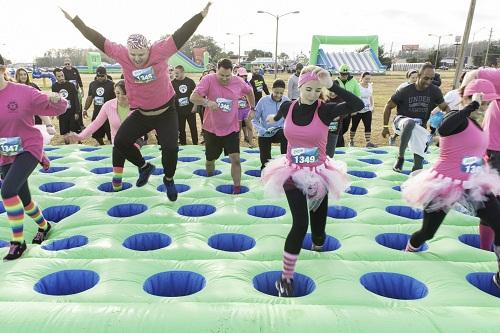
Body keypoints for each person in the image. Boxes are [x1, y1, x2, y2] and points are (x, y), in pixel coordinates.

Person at [61, 2, 211, 202]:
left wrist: (200, 15)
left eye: (141, 54)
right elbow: (96, 38)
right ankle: (144, 167)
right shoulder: (121, 54)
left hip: (166, 112)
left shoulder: (160, 50)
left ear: (149, 49)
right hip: (141, 113)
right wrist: (75, 21)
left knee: (170, 148)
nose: (138, 59)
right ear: (127, 52)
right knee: (120, 142)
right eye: (134, 55)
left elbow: (182, 33)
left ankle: (168, 179)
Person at [261, 65, 364, 297]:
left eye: (317, 91)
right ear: (299, 87)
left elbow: (358, 105)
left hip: (319, 172)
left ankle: (318, 244)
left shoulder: (325, 111)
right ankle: (285, 278)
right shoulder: (288, 106)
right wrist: (273, 117)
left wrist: (332, 85)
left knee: (319, 229)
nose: (313, 94)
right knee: (300, 223)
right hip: (291, 172)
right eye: (308, 89)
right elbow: (281, 114)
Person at [401, 79, 500, 288]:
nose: (483, 107)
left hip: (472, 183)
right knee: (428, 232)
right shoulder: (457, 118)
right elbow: (444, 128)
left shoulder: (476, 123)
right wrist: (471, 106)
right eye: (481, 102)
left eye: (486, 103)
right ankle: (410, 249)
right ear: (466, 99)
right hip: (444, 183)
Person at [0, 54, 68, 260]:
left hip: (29, 147)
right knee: (25, 200)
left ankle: (18, 242)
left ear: (2, 69)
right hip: (6, 154)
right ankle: (44, 225)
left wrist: (57, 100)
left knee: (8, 189)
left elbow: (58, 107)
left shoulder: (23, 92)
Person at [190, 58, 255, 195]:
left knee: (236, 159)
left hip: (231, 128)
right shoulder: (208, 79)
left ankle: (237, 189)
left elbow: (249, 91)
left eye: (228, 75)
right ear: (216, 71)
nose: (225, 78)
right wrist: (207, 102)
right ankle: (209, 179)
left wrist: (252, 108)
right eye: (221, 75)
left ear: (232, 72)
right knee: (210, 160)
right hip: (211, 129)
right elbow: (193, 97)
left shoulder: (238, 82)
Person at [382, 63, 449, 173]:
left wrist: (450, 120)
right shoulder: (405, 90)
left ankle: (414, 182)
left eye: (431, 79)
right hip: (401, 122)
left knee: (418, 165)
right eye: (426, 78)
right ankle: (400, 157)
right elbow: (388, 106)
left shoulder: (434, 91)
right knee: (410, 122)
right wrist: (385, 126)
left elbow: (445, 107)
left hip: (419, 129)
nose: (428, 82)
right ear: (418, 75)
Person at [69, 80, 134, 191]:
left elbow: (150, 121)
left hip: (135, 140)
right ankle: (117, 186)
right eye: (118, 93)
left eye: (125, 93)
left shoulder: (138, 104)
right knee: (117, 169)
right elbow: (96, 123)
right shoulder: (108, 105)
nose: (121, 96)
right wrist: (80, 136)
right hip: (118, 142)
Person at [252, 79, 289, 169]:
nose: (279, 95)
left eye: (281, 93)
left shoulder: (286, 101)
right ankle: (264, 170)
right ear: (272, 89)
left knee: (285, 134)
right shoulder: (263, 101)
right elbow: (254, 119)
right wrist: (261, 130)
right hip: (265, 132)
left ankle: (285, 164)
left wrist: (285, 127)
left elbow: (290, 119)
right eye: (276, 92)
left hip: (280, 131)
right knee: (265, 162)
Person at [15, 68, 56, 139]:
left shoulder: (32, 86)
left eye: (25, 74)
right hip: (22, 118)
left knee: (35, 136)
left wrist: (50, 110)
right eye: (21, 75)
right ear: (17, 76)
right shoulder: (14, 88)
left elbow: (42, 99)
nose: (23, 76)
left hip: (36, 117)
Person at [84, 66, 115, 145]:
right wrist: (85, 109)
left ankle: (113, 146)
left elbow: (116, 100)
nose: (100, 78)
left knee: (111, 134)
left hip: (109, 114)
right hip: (97, 113)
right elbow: (90, 97)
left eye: (102, 76)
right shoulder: (92, 84)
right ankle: (102, 145)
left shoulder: (112, 84)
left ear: (106, 75)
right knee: (96, 133)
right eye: (98, 76)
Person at [333, 64, 361, 148]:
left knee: (345, 128)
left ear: (348, 73)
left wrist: (355, 109)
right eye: (342, 74)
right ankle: (339, 145)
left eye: (346, 74)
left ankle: (339, 141)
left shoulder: (354, 81)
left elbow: (358, 95)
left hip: (349, 109)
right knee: (339, 129)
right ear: (339, 73)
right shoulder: (336, 81)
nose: (344, 76)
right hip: (339, 110)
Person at [52, 67, 81, 144]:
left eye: (62, 75)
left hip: (72, 111)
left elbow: (76, 99)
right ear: (55, 77)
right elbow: (55, 100)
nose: (61, 78)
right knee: (65, 131)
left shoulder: (71, 85)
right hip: (62, 112)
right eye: (59, 76)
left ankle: (79, 142)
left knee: (74, 129)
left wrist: (77, 112)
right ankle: (67, 145)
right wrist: (56, 112)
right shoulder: (54, 87)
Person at [349, 72, 376, 147]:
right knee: (354, 126)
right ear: (362, 78)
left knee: (368, 126)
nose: (368, 80)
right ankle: (351, 141)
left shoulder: (370, 85)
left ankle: (368, 142)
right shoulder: (357, 86)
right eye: (366, 79)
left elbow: (370, 96)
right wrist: (353, 109)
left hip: (367, 110)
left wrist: (372, 106)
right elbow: (353, 98)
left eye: (369, 79)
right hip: (357, 110)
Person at [172, 65, 197, 145]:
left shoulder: (190, 82)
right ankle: (183, 144)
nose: (175, 74)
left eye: (177, 73)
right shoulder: (172, 83)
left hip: (190, 110)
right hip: (179, 111)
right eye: (175, 73)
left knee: (193, 128)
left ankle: (195, 144)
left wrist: (195, 106)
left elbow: (197, 94)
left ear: (183, 72)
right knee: (181, 129)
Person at [62, 58, 85, 128]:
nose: (67, 65)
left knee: (79, 107)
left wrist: (82, 90)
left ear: (71, 63)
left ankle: (81, 124)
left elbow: (79, 79)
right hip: (69, 92)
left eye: (68, 64)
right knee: (71, 107)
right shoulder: (63, 71)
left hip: (77, 91)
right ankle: (73, 124)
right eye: (65, 64)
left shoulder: (75, 70)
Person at [236, 67, 255, 148]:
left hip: (246, 109)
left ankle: (251, 143)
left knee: (249, 127)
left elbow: (252, 96)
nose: (243, 77)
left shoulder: (248, 84)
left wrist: (251, 107)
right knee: (238, 129)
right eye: (241, 76)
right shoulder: (234, 85)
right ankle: (238, 146)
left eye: (244, 76)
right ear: (237, 76)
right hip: (237, 110)